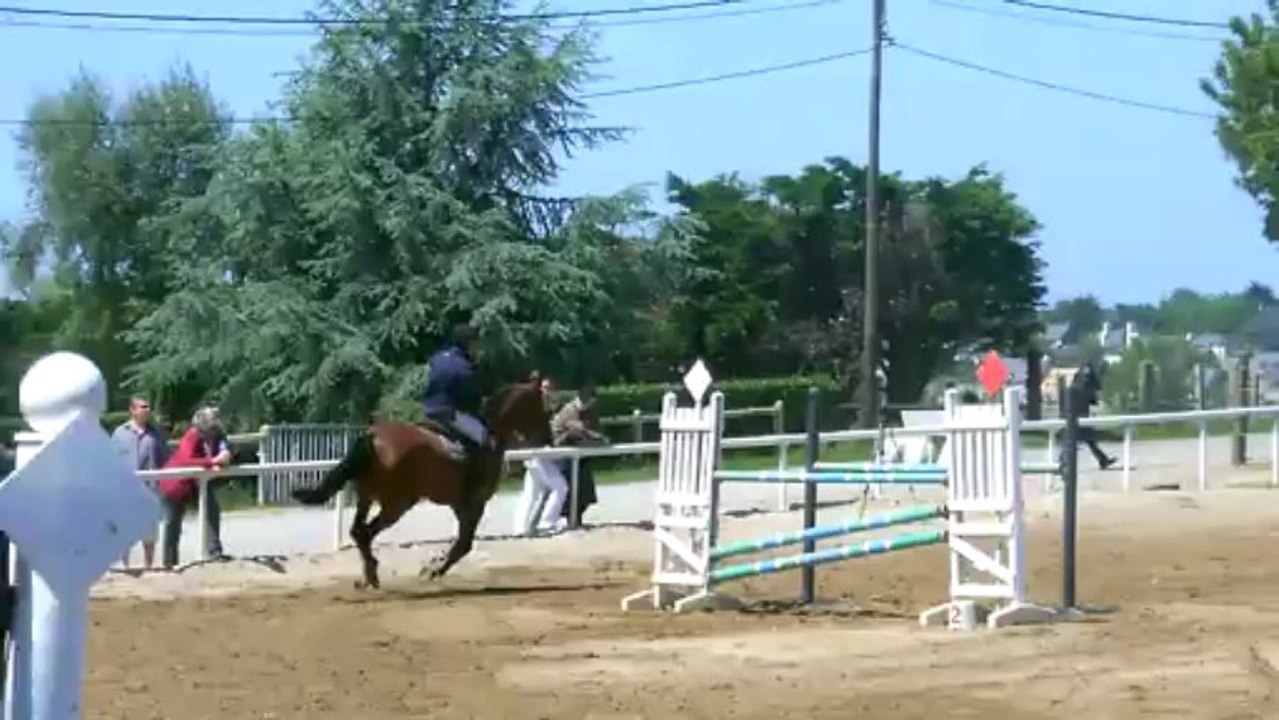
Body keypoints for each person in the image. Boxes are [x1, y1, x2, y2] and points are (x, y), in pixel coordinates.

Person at [157, 407, 233, 568]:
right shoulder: (192, 435)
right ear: (203, 422)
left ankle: (215, 551)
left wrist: (226, 456)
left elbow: (225, 450)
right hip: (176, 483)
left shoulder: (218, 435)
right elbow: (186, 460)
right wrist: (213, 462)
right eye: (213, 419)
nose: (216, 422)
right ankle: (169, 562)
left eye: (216, 419)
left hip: (198, 482)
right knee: (173, 522)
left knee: (212, 510)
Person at [422, 324, 491, 482]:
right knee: (483, 437)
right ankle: (471, 482)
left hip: (427, 409)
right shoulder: (464, 367)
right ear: (467, 343)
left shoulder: (436, 358)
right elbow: (469, 399)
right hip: (449, 413)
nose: (477, 348)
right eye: (475, 344)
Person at [111, 396, 169, 570]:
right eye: (143, 407)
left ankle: (148, 566)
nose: (147, 410)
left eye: (148, 407)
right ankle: (125, 567)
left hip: (149, 490)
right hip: (125, 491)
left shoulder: (156, 434)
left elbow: (165, 458)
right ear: (133, 410)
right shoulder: (119, 433)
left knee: (149, 533)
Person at [512, 375, 570, 536]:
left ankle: (520, 528)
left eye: (549, 389)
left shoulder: (541, 407)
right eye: (545, 388)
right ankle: (547, 522)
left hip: (534, 453)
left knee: (531, 493)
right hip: (536, 453)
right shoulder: (535, 408)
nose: (547, 392)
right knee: (560, 487)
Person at [551, 384, 608, 522]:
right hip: (565, 457)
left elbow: (596, 433)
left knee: (586, 493)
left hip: (582, 456)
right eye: (585, 402)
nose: (587, 406)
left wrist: (595, 437)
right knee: (570, 493)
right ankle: (570, 520)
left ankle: (576, 519)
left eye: (590, 403)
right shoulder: (568, 411)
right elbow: (559, 436)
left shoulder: (591, 412)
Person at [1062, 363, 1116, 470]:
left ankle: (1103, 460)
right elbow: (1094, 401)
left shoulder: (1076, 385)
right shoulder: (1084, 387)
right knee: (1076, 442)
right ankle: (1062, 463)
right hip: (1079, 418)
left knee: (1087, 441)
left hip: (1079, 418)